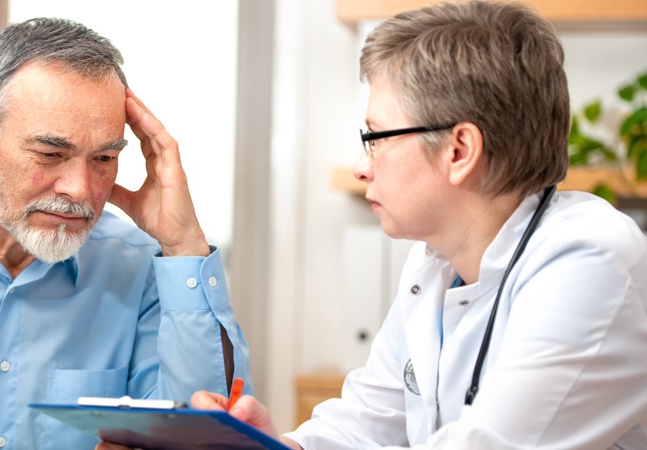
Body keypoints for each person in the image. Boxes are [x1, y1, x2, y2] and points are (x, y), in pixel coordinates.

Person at [191, 1, 647, 448]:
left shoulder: (590, 258)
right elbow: (366, 421)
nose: (360, 167)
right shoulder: (433, 264)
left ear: (459, 151)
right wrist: (277, 446)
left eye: (374, 138)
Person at [0, 17, 250, 450]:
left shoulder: (146, 268)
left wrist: (182, 244)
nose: (79, 189)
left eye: (103, 159)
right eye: (51, 153)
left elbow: (202, 436)